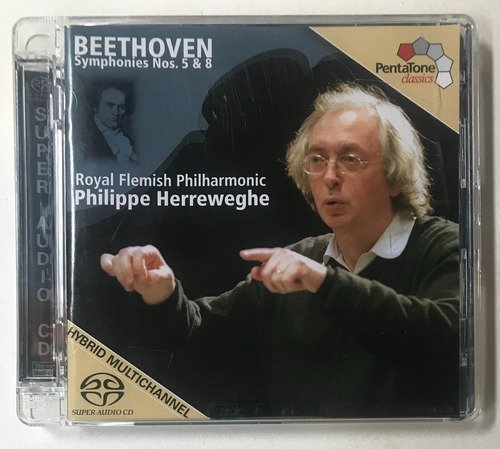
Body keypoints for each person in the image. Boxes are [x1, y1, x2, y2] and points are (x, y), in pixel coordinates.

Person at [100, 84, 460, 418]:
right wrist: (161, 292)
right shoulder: (303, 259)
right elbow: (201, 339)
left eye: (350, 159)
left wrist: (325, 283)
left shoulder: (444, 246)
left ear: (395, 175)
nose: (329, 176)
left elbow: (445, 335)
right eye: (317, 159)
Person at [83, 85, 137, 162]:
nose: (116, 113)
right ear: (96, 107)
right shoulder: (84, 138)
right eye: (109, 105)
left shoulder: (129, 140)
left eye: (121, 107)